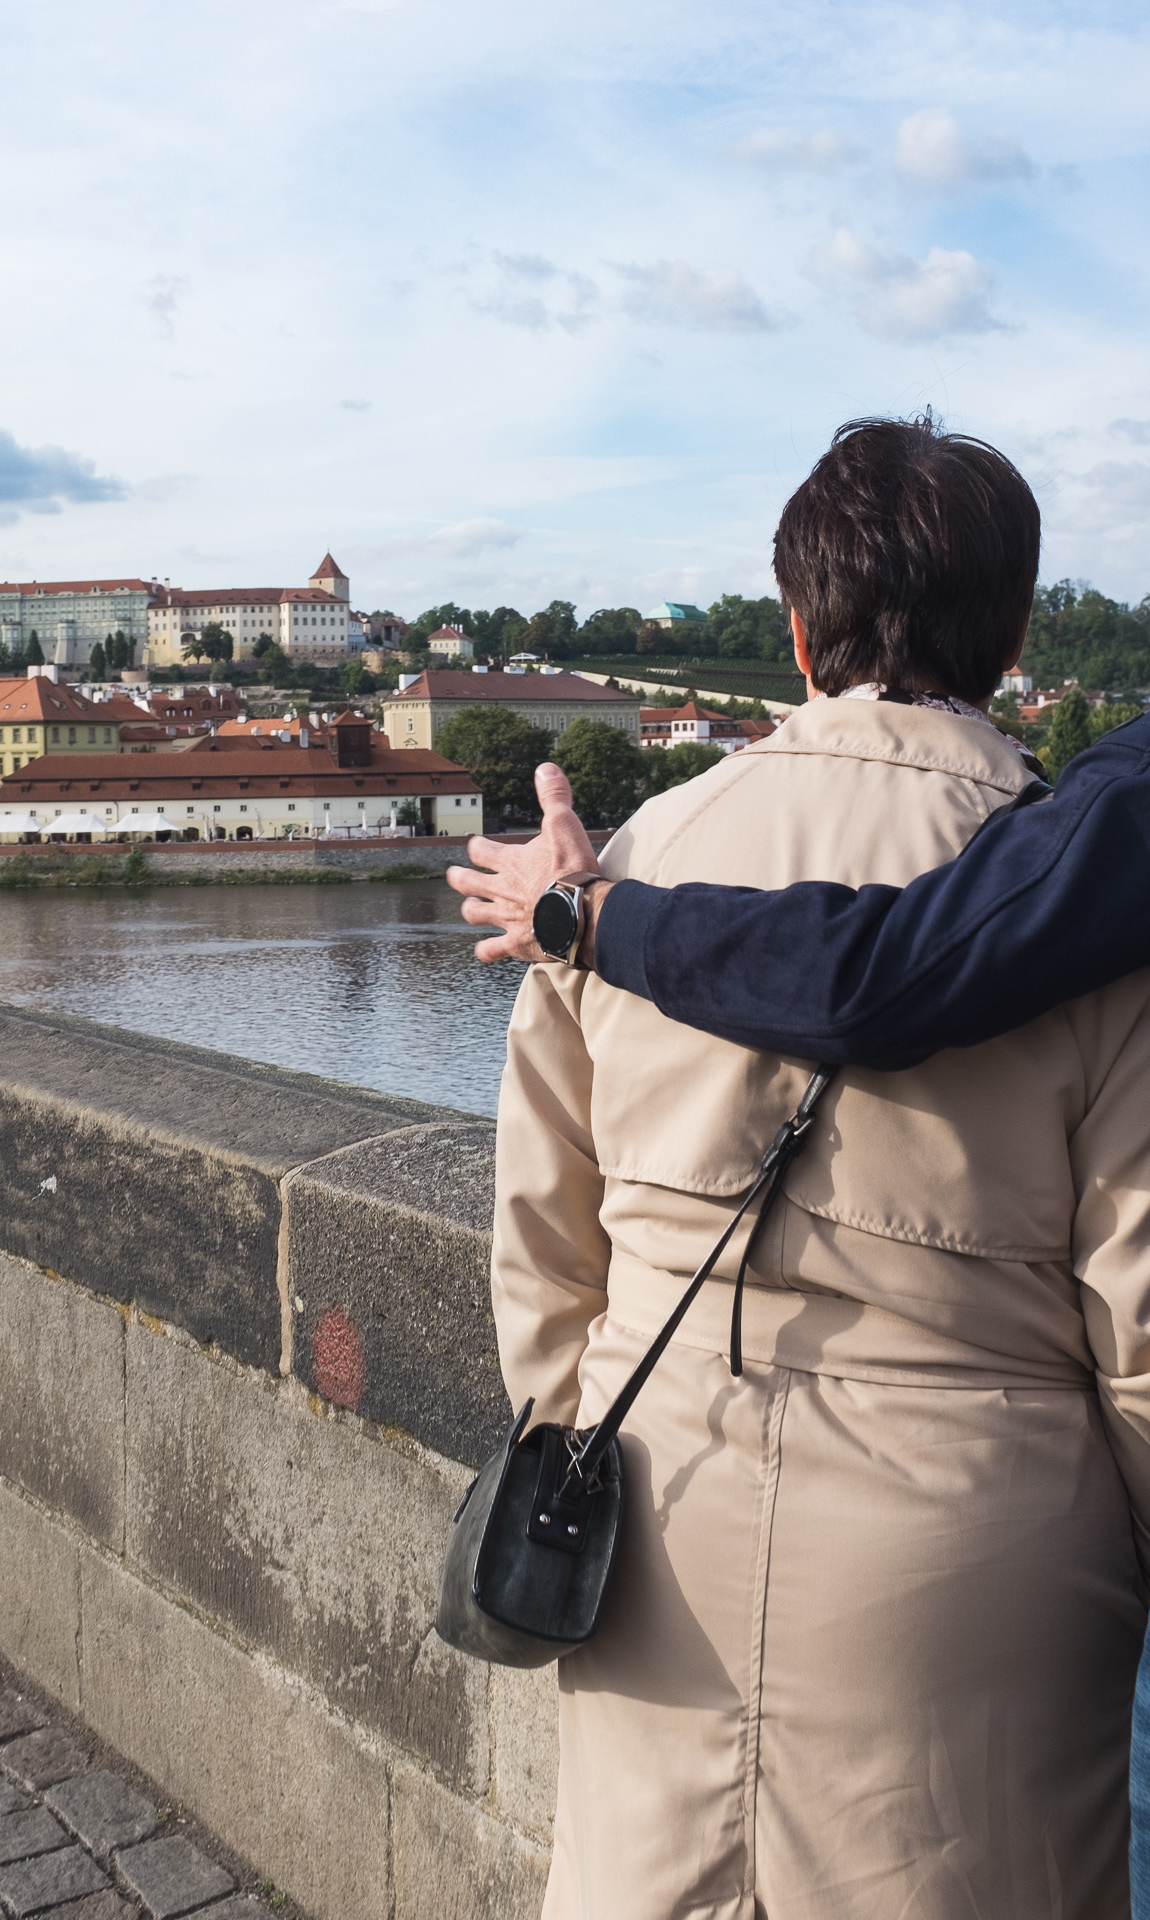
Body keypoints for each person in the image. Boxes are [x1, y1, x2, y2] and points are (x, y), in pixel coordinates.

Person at [460, 416, 1150, 1917]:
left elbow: (541, 1246)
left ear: (794, 627)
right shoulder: (1086, 896)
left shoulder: (620, 865)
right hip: (974, 1569)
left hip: (654, 1513)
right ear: (1013, 636)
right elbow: (1144, 1331)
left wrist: (583, 1440)